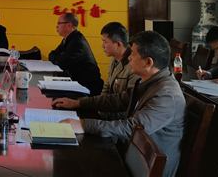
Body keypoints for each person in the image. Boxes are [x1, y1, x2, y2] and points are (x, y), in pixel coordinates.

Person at [52, 31, 186, 177]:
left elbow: (133, 128)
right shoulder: (150, 81)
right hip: (133, 155)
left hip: (148, 168)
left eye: (133, 54)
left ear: (148, 62)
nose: (129, 57)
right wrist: (78, 103)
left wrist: (85, 125)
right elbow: (118, 100)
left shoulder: (166, 95)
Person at [48, 13, 104, 95]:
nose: (57, 26)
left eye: (59, 23)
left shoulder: (78, 42)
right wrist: (60, 56)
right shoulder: (68, 39)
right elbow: (52, 54)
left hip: (88, 88)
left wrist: (60, 57)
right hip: (77, 83)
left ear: (69, 25)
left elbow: (61, 63)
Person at [100, 22, 139, 96]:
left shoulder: (134, 65)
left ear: (118, 44)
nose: (102, 46)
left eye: (105, 42)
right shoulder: (114, 59)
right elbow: (107, 86)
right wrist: (98, 101)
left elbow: (129, 98)